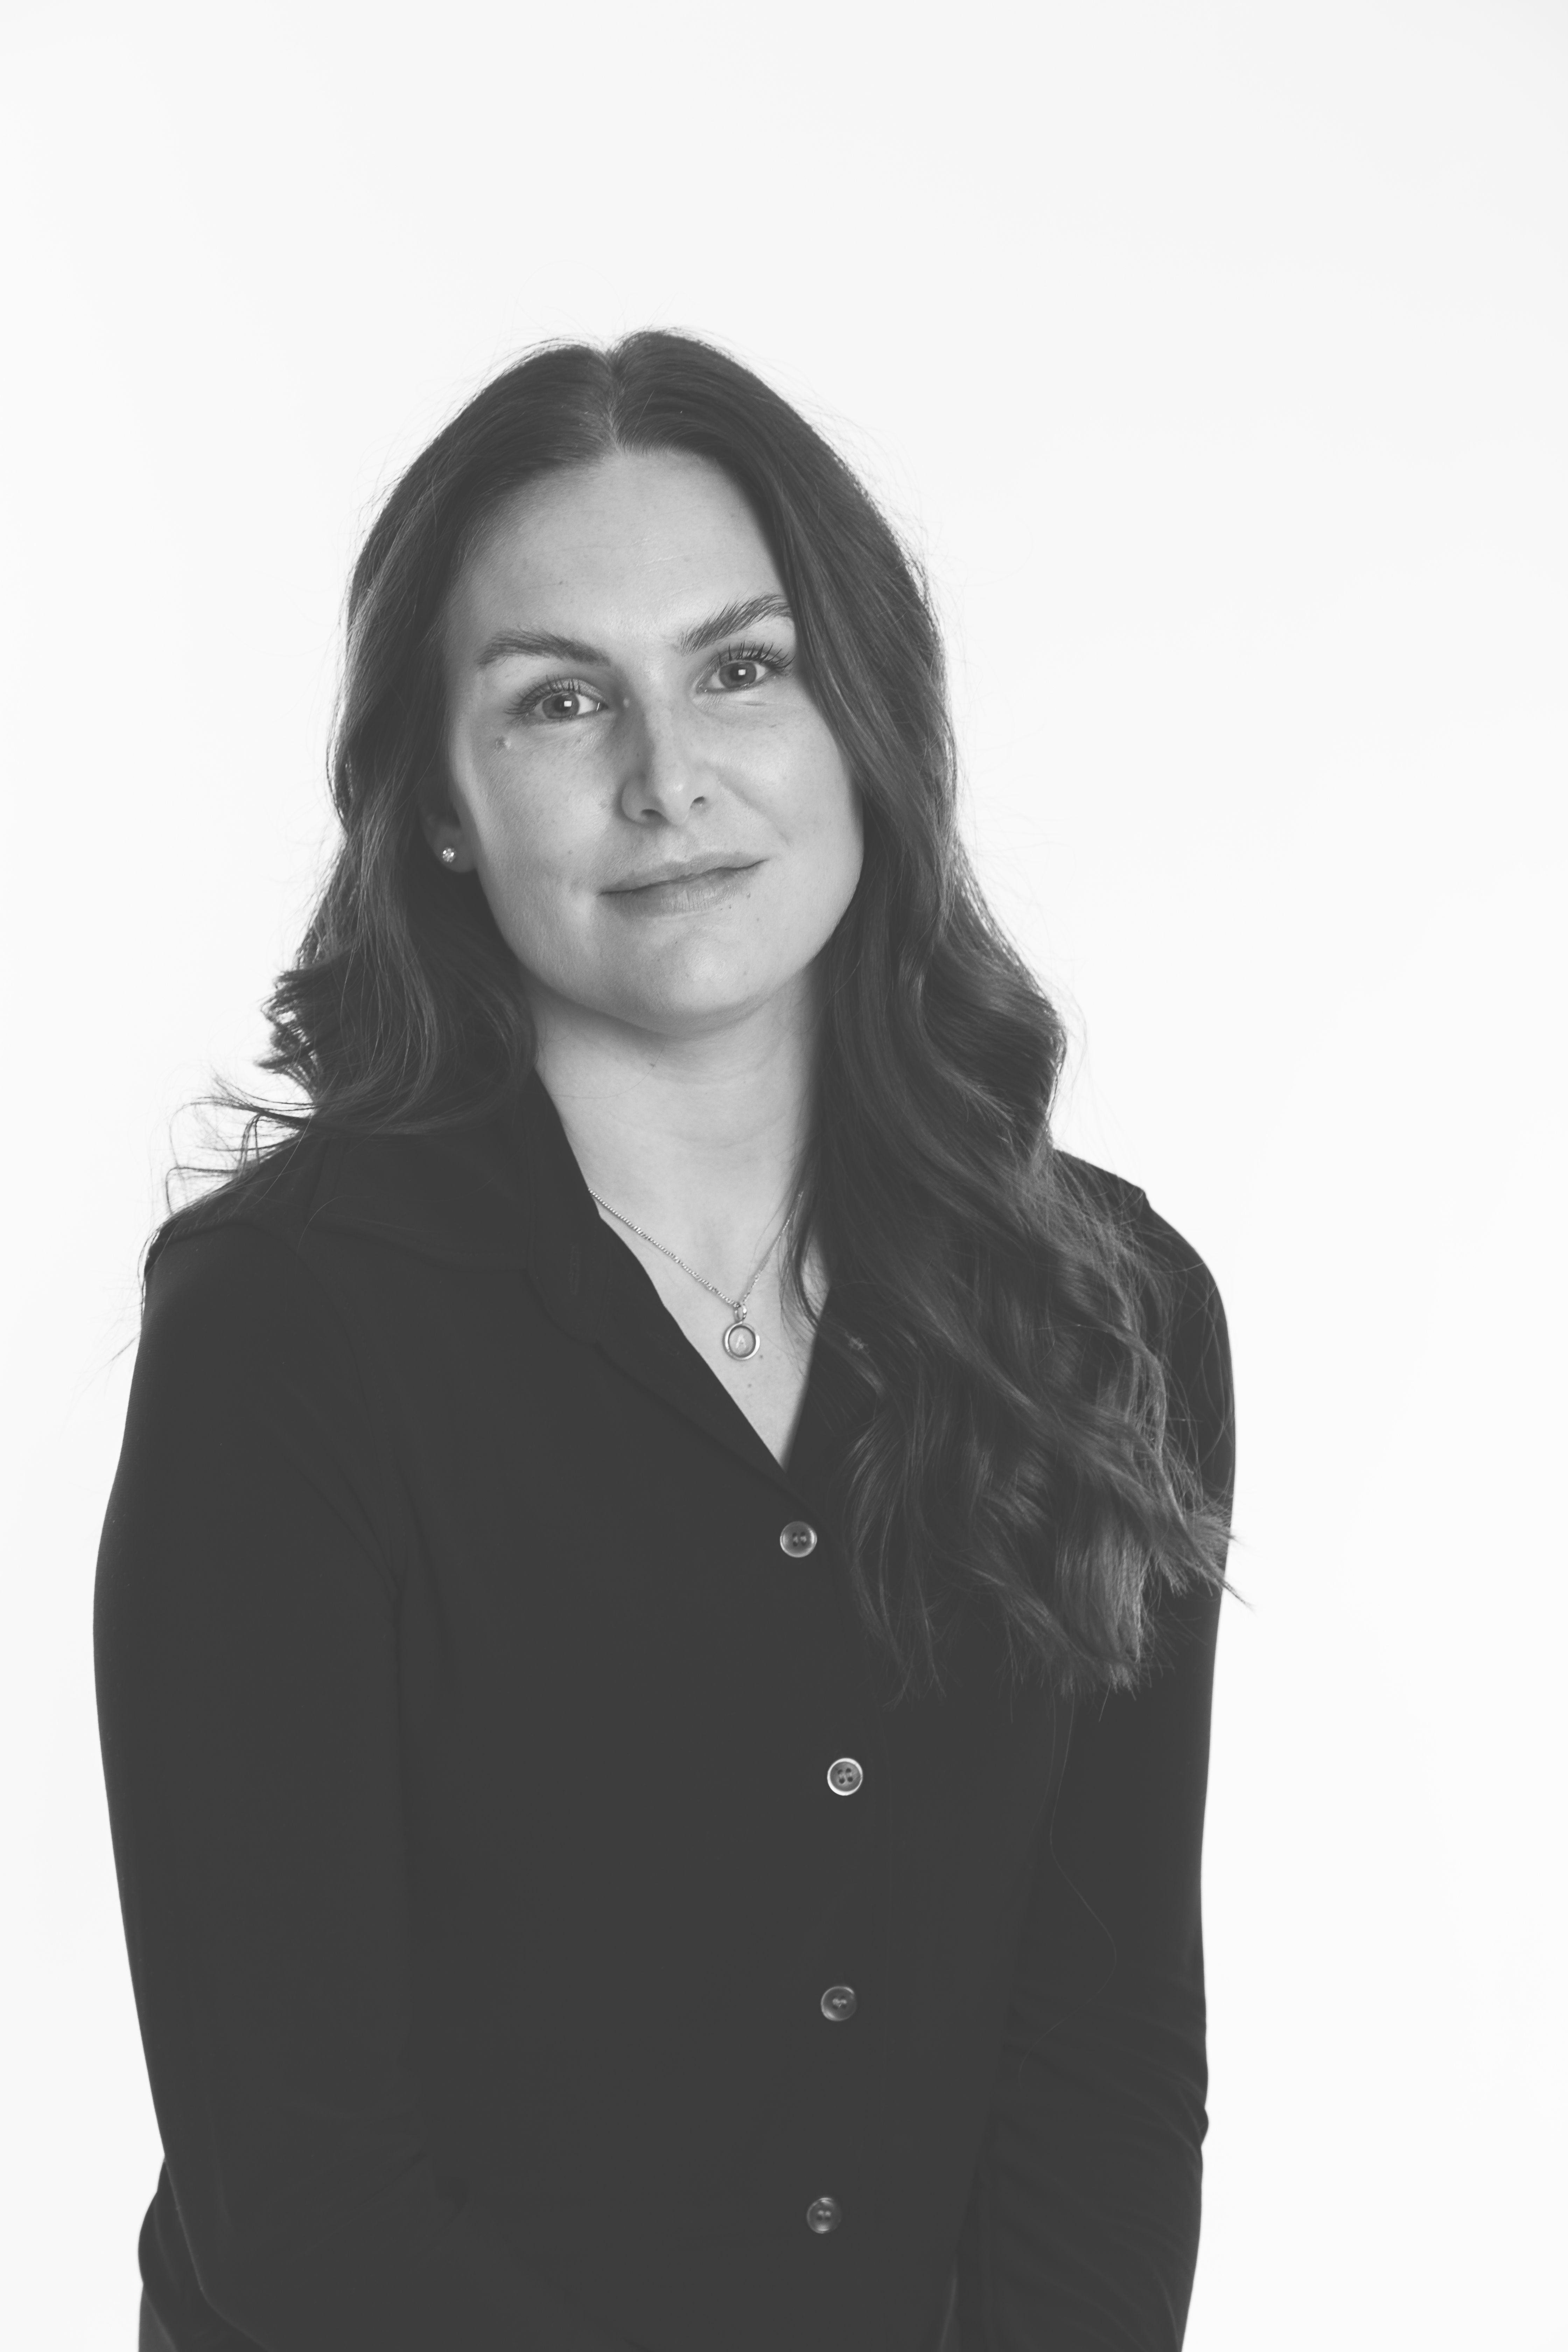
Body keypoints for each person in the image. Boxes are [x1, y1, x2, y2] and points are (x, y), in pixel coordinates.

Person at [95, 330, 1236, 2352]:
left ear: (866, 721)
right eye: (558, 700)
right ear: (442, 806)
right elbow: (305, 2194)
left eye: (742, 669)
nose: (665, 776)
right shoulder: (286, 1336)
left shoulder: (1107, 1311)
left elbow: (1105, 2062)